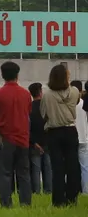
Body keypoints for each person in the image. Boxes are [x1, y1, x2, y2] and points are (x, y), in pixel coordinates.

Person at [0, 60, 32, 208]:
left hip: (5, 138)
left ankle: (6, 203)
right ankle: (25, 203)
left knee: (5, 173)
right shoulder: (26, 94)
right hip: (23, 138)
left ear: (2, 75)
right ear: (17, 74)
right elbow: (27, 113)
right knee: (24, 173)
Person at [40, 63, 81, 207]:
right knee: (72, 166)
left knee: (57, 167)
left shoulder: (47, 95)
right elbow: (75, 102)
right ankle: (72, 198)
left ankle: (58, 200)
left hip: (54, 132)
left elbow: (43, 114)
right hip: (70, 131)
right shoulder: (75, 91)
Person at [28, 82, 51, 195]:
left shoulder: (28, 108)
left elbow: (27, 128)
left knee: (35, 170)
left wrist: (34, 142)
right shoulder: (47, 106)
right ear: (40, 92)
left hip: (34, 143)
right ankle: (48, 190)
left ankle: (36, 191)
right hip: (47, 141)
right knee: (48, 169)